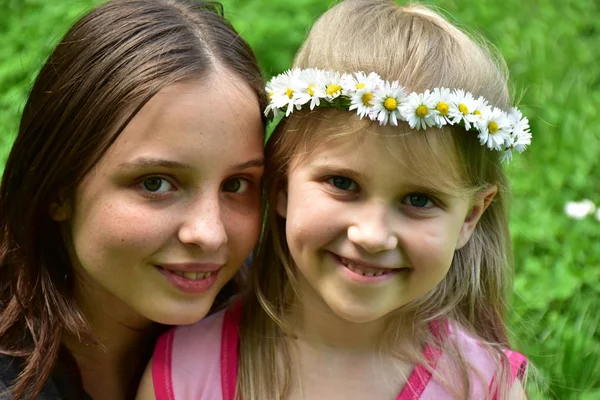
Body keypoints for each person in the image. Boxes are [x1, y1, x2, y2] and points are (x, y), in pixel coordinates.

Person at [141, 0, 533, 399]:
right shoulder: (185, 371)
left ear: (469, 217)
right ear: (281, 185)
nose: (372, 235)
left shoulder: (485, 387)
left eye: (419, 198)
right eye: (343, 184)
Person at [0, 0, 267, 398]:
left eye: (236, 184)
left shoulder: (273, 322)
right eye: (156, 183)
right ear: (57, 190)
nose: (210, 234)